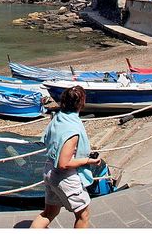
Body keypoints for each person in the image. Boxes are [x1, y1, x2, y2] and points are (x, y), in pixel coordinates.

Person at [31, 86, 101, 229]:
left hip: (49, 170)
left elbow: (47, 140)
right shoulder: (72, 129)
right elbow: (64, 163)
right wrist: (88, 161)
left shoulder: (58, 117)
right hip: (64, 177)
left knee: (50, 212)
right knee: (83, 214)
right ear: (82, 102)